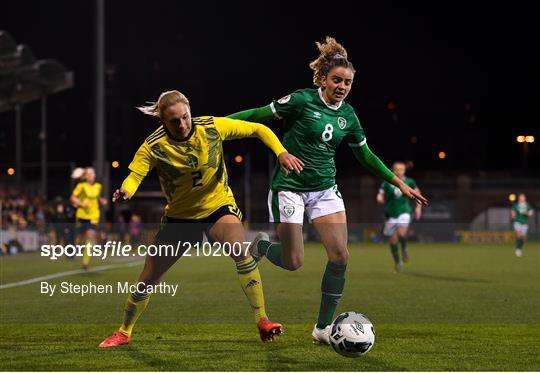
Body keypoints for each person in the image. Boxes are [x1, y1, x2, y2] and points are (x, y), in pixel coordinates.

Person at [227, 36, 428, 344]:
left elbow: (365, 155)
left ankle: (321, 329)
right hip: (290, 188)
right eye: (337, 80)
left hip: (324, 191)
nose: (342, 87)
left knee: (340, 256)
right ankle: (264, 246)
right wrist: (215, 126)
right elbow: (257, 116)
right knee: (294, 262)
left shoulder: (348, 115)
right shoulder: (300, 100)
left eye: (348, 82)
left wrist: (398, 182)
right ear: (323, 79)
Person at [98, 90, 303, 348]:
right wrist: (127, 189)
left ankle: (262, 320)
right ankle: (124, 332)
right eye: (175, 121)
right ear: (163, 121)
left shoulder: (211, 127)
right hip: (180, 219)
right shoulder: (154, 146)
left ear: (190, 111)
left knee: (240, 251)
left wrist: (281, 152)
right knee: (148, 278)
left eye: (186, 117)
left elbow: (259, 129)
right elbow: (135, 175)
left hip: (217, 207)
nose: (183, 124)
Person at [376, 161, 422, 272]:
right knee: (392, 240)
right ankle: (398, 263)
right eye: (397, 169)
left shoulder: (409, 182)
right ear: (392, 170)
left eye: (401, 169)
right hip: (391, 214)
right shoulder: (386, 182)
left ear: (404, 171)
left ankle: (404, 248)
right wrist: (379, 198)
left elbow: (418, 193)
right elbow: (380, 194)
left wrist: (418, 208)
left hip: (404, 212)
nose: (399, 171)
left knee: (401, 233)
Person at [70, 167, 107, 270]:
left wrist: (102, 201)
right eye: (89, 174)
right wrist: (81, 203)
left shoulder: (98, 186)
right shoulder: (81, 186)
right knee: (81, 240)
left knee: (90, 236)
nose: (91, 175)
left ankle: (85, 263)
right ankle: (80, 252)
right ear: (86, 176)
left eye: (93, 173)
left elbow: (97, 197)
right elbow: (72, 198)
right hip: (82, 215)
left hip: (94, 216)